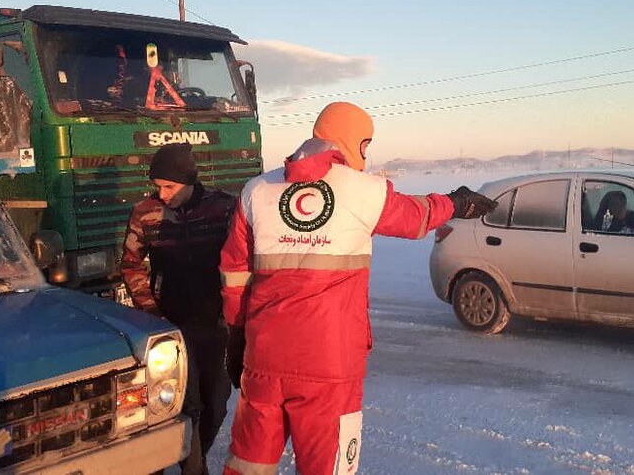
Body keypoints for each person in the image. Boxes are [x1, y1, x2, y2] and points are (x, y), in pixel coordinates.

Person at [218, 101, 497, 475]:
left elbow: (234, 272)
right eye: (366, 143)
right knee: (327, 466)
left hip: (264, 358)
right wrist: (457, 202)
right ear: (355, 141)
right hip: (330, 365)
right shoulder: (364, 190)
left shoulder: (257, 190)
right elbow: (417, 218)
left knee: (248, 465)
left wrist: (237, 335)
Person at [121, 142, 236, 475]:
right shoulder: (146, 212)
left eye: (169, 187)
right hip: (171, 325)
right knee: (188, 404)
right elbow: (130, 262)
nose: (163, 193)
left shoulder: (223, 208)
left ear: (189, 181)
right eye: (158, 186)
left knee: (215, 404)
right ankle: (194, 469)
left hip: (216, 324)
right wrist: (151, 311)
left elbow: (242, 261)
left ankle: (188, 455)